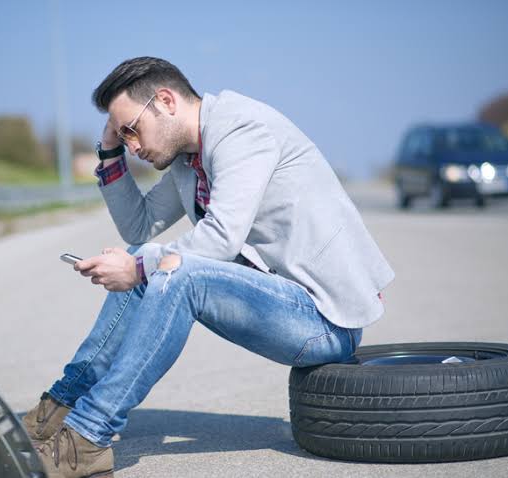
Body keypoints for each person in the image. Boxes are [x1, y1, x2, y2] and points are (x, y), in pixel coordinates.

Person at [23, 56, 394, 478]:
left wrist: (138, 268)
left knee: (175, 272)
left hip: (324, 319)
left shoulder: (242, 129)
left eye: (131, 130)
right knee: (148, 259)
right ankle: (58, 410)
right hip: (278, 302)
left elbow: (221, 238)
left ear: (165, 101)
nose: (132, 145)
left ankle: (87, 438)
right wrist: (109, 154)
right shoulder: (188, 158)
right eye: (122, 136)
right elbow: (138, 226)